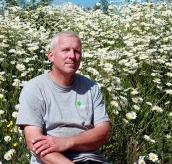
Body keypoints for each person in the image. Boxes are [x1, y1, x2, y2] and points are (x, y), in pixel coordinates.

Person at [16, 31, 111, 164]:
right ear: (51, 56)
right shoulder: (34, 88)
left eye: (77, 51)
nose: (72, 56)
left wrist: (65, 143)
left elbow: (104, 133)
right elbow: (34, 143)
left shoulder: (91, 87)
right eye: (65, 50)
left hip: (93, 159)